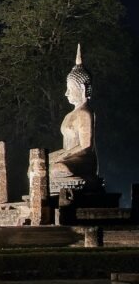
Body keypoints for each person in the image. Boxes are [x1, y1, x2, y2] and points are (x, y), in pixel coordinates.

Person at [49, 44, 97, 183]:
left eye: (70, 89)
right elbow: (66, 148)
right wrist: (56, 156)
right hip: (69, 156)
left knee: (57, 168)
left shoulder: (85, 113)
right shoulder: (69, 115)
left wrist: (62, 157)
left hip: (83, 160)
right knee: (36, 164)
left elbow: (85, 146)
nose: (66, 93)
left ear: (82, 88)